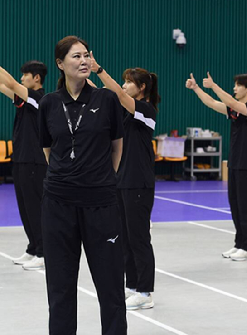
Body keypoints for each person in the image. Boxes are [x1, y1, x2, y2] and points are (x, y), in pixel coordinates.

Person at [37, 36, 126, 334]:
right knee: (60, 288)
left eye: (86, 55)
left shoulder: (107, 100)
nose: (84, 61)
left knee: (111, 287)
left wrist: (98, 180)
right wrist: (68, 177)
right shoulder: (49, 104)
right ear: (61, 64)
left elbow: (117, 147)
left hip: (101, 203)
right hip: (58, 204)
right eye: (76, 57)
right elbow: (48, 150)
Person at [88, 52, 159, 311]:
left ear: (141, 88)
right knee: (125, 237)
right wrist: (85, 75)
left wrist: (98, 69)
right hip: (120, 180)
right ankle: (132, 285)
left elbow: (117, 93)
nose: (125, 85)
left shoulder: (146, 112)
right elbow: (106, 93)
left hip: (138, 183)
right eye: (124, 81)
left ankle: (145, 291)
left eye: (129, 82)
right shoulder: (124, 112)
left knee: (139, 237)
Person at [0, 46, 48, 270]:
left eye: (25, 75)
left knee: (34, 206)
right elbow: (0, 85)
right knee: (24, 206)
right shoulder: (24, 99)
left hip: (35, 161)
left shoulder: (38, 99)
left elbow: (11, 83)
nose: (22, 78)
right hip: (21, 158)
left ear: (36, 78)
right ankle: (33, 248)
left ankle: (43, 252)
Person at [186, 72, 247, 261]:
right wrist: (196, 89)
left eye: (238, 85)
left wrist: (213, 86)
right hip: (235, 163)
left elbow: (234, 103)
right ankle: (239, 244)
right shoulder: (235, 110)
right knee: (235, 205)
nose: (235, 88)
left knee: (246, 207)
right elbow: (213, 104)